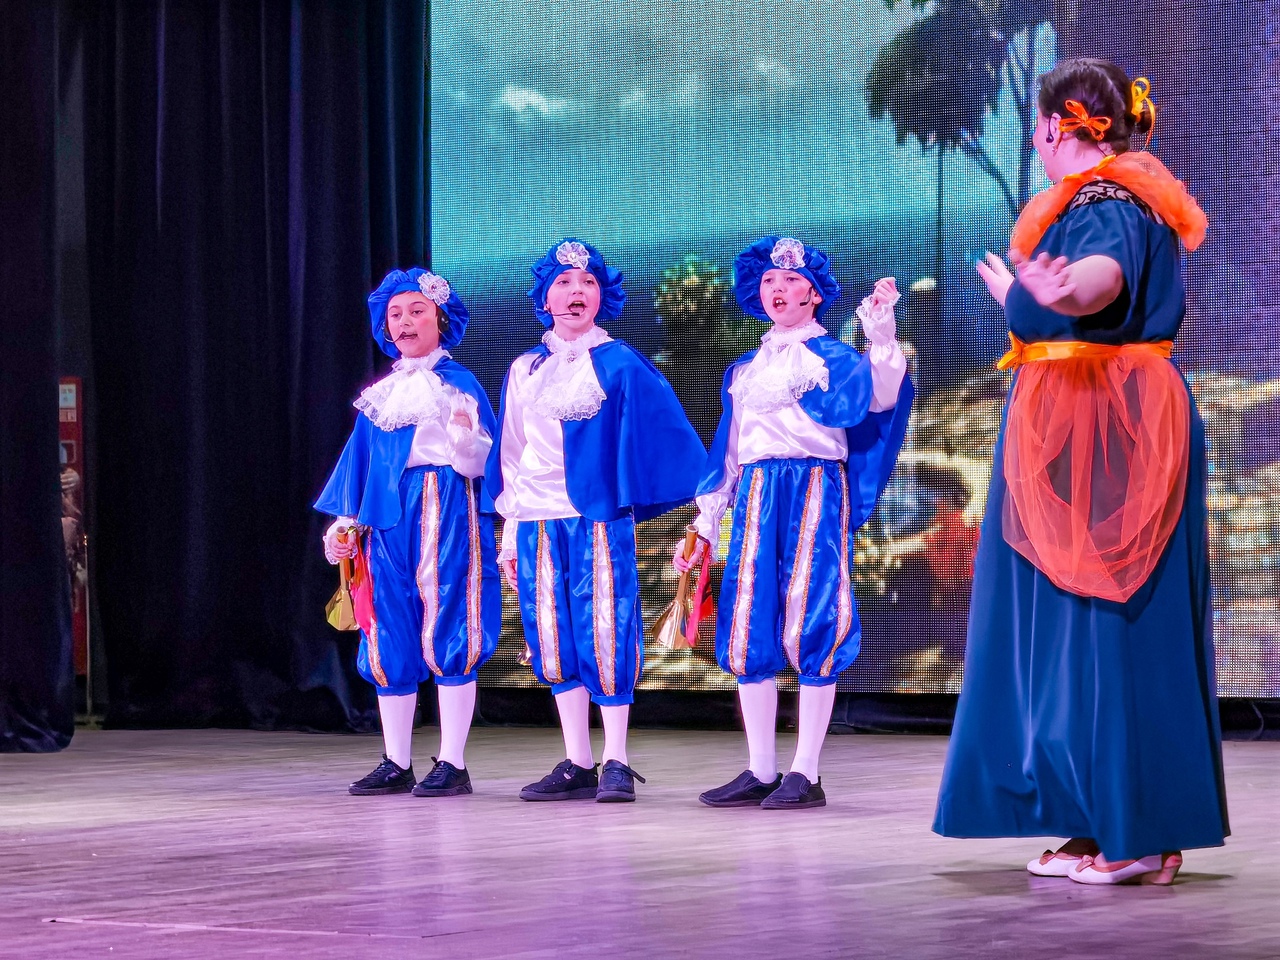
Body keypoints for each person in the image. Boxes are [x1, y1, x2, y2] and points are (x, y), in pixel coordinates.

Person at [933, 59, 1228, 884]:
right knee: (1069, 626)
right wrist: (1027, 297)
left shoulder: (1108, 200)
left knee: (1109, 619)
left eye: (1037, 123)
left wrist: (1064, 291)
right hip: (1079, 417)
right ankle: (1095, 820)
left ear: (1053, 124)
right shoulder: (1092, 201)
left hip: (1109, 422)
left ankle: (1139, 830)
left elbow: (1103, 282)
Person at [676, 236, 912, 809]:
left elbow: (882, 397)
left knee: (814, 614)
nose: (778, 288)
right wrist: (704, 524)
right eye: (769, 280)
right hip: (757, 493)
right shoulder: (744, 369)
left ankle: (805, 771)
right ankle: (760, 769)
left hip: (814, 487)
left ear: (814, 293)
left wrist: (881, 336)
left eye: (791, 279)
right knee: (749, 621)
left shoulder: (832, 358)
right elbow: (730, 454)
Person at [486, 238, 706, 803]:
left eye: (587, 282)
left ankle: (616, 760)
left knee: (606, 627)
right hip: (537, 519)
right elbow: (512, 456)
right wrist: (509, 534)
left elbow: (663, 432)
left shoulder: (619, 362)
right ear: (545, 299)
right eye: (563, 283)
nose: (576, 291)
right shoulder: (524, 369)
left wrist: (682, 503)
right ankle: (576, 760)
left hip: (598, 517)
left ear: (601, 296)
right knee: (551, 634)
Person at [315, 268, 501, 798]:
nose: (404, 321)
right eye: (395, 314)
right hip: (387, 516)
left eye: (417, 310)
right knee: (387, 630)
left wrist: (463, 439)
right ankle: (396, 760)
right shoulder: (382, 395)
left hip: (446, 507)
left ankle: (453, 762)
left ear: (440, 319)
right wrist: (344, 522)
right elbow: (360, 465)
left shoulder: (458, 384)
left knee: (450, 624)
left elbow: (482, 463)